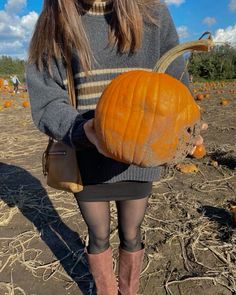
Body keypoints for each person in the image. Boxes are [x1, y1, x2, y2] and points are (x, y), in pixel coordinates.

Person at [26, 0, 205, 294]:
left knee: (131, 235)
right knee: (98, 237)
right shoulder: (56, 20)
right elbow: (46, 99)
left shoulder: (153, 13)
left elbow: (177, 85)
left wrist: (188, 127)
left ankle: (128, 291)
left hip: (142, 156)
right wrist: (79, 129)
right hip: (87, 157)